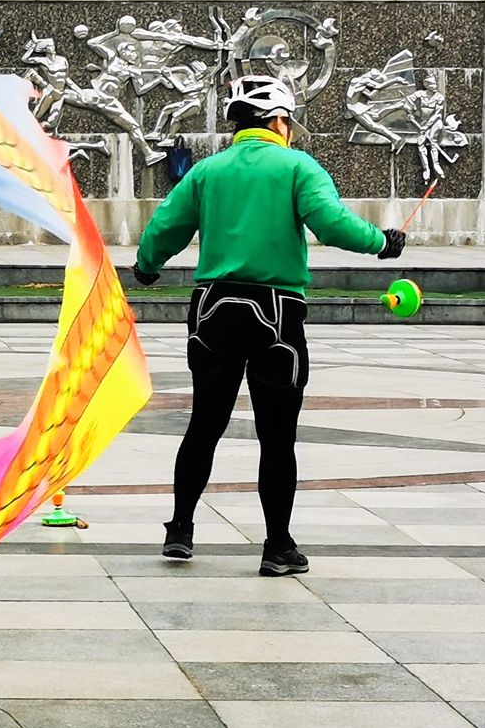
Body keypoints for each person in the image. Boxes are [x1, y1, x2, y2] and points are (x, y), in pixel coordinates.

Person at [132, 75, 405, 577]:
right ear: (279, 120)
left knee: (204, 425)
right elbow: (331, 223)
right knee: (277, 437)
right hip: (276, 314)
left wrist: (147, 267)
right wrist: (381, 242)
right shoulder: (297, 166)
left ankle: (181, 530)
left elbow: (165, 227)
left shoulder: (207, 171)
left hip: (212, 310)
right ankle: (278, 547)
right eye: (290, 121)